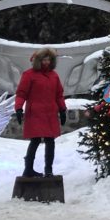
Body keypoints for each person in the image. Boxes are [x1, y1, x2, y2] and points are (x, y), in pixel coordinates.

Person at [14, 47, 67, 177]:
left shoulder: (54, 76)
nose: (47, 62)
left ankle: (48, 170)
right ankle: (28, 169)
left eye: (49, 59)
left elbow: (59, 94)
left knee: (50, 141)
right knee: (35, 140)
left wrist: (62, 109)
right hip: (35, 112)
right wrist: (19, 108)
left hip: (50, 113)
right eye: (44, 59)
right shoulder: (29, 75)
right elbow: (21, 93)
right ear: (39, 60)